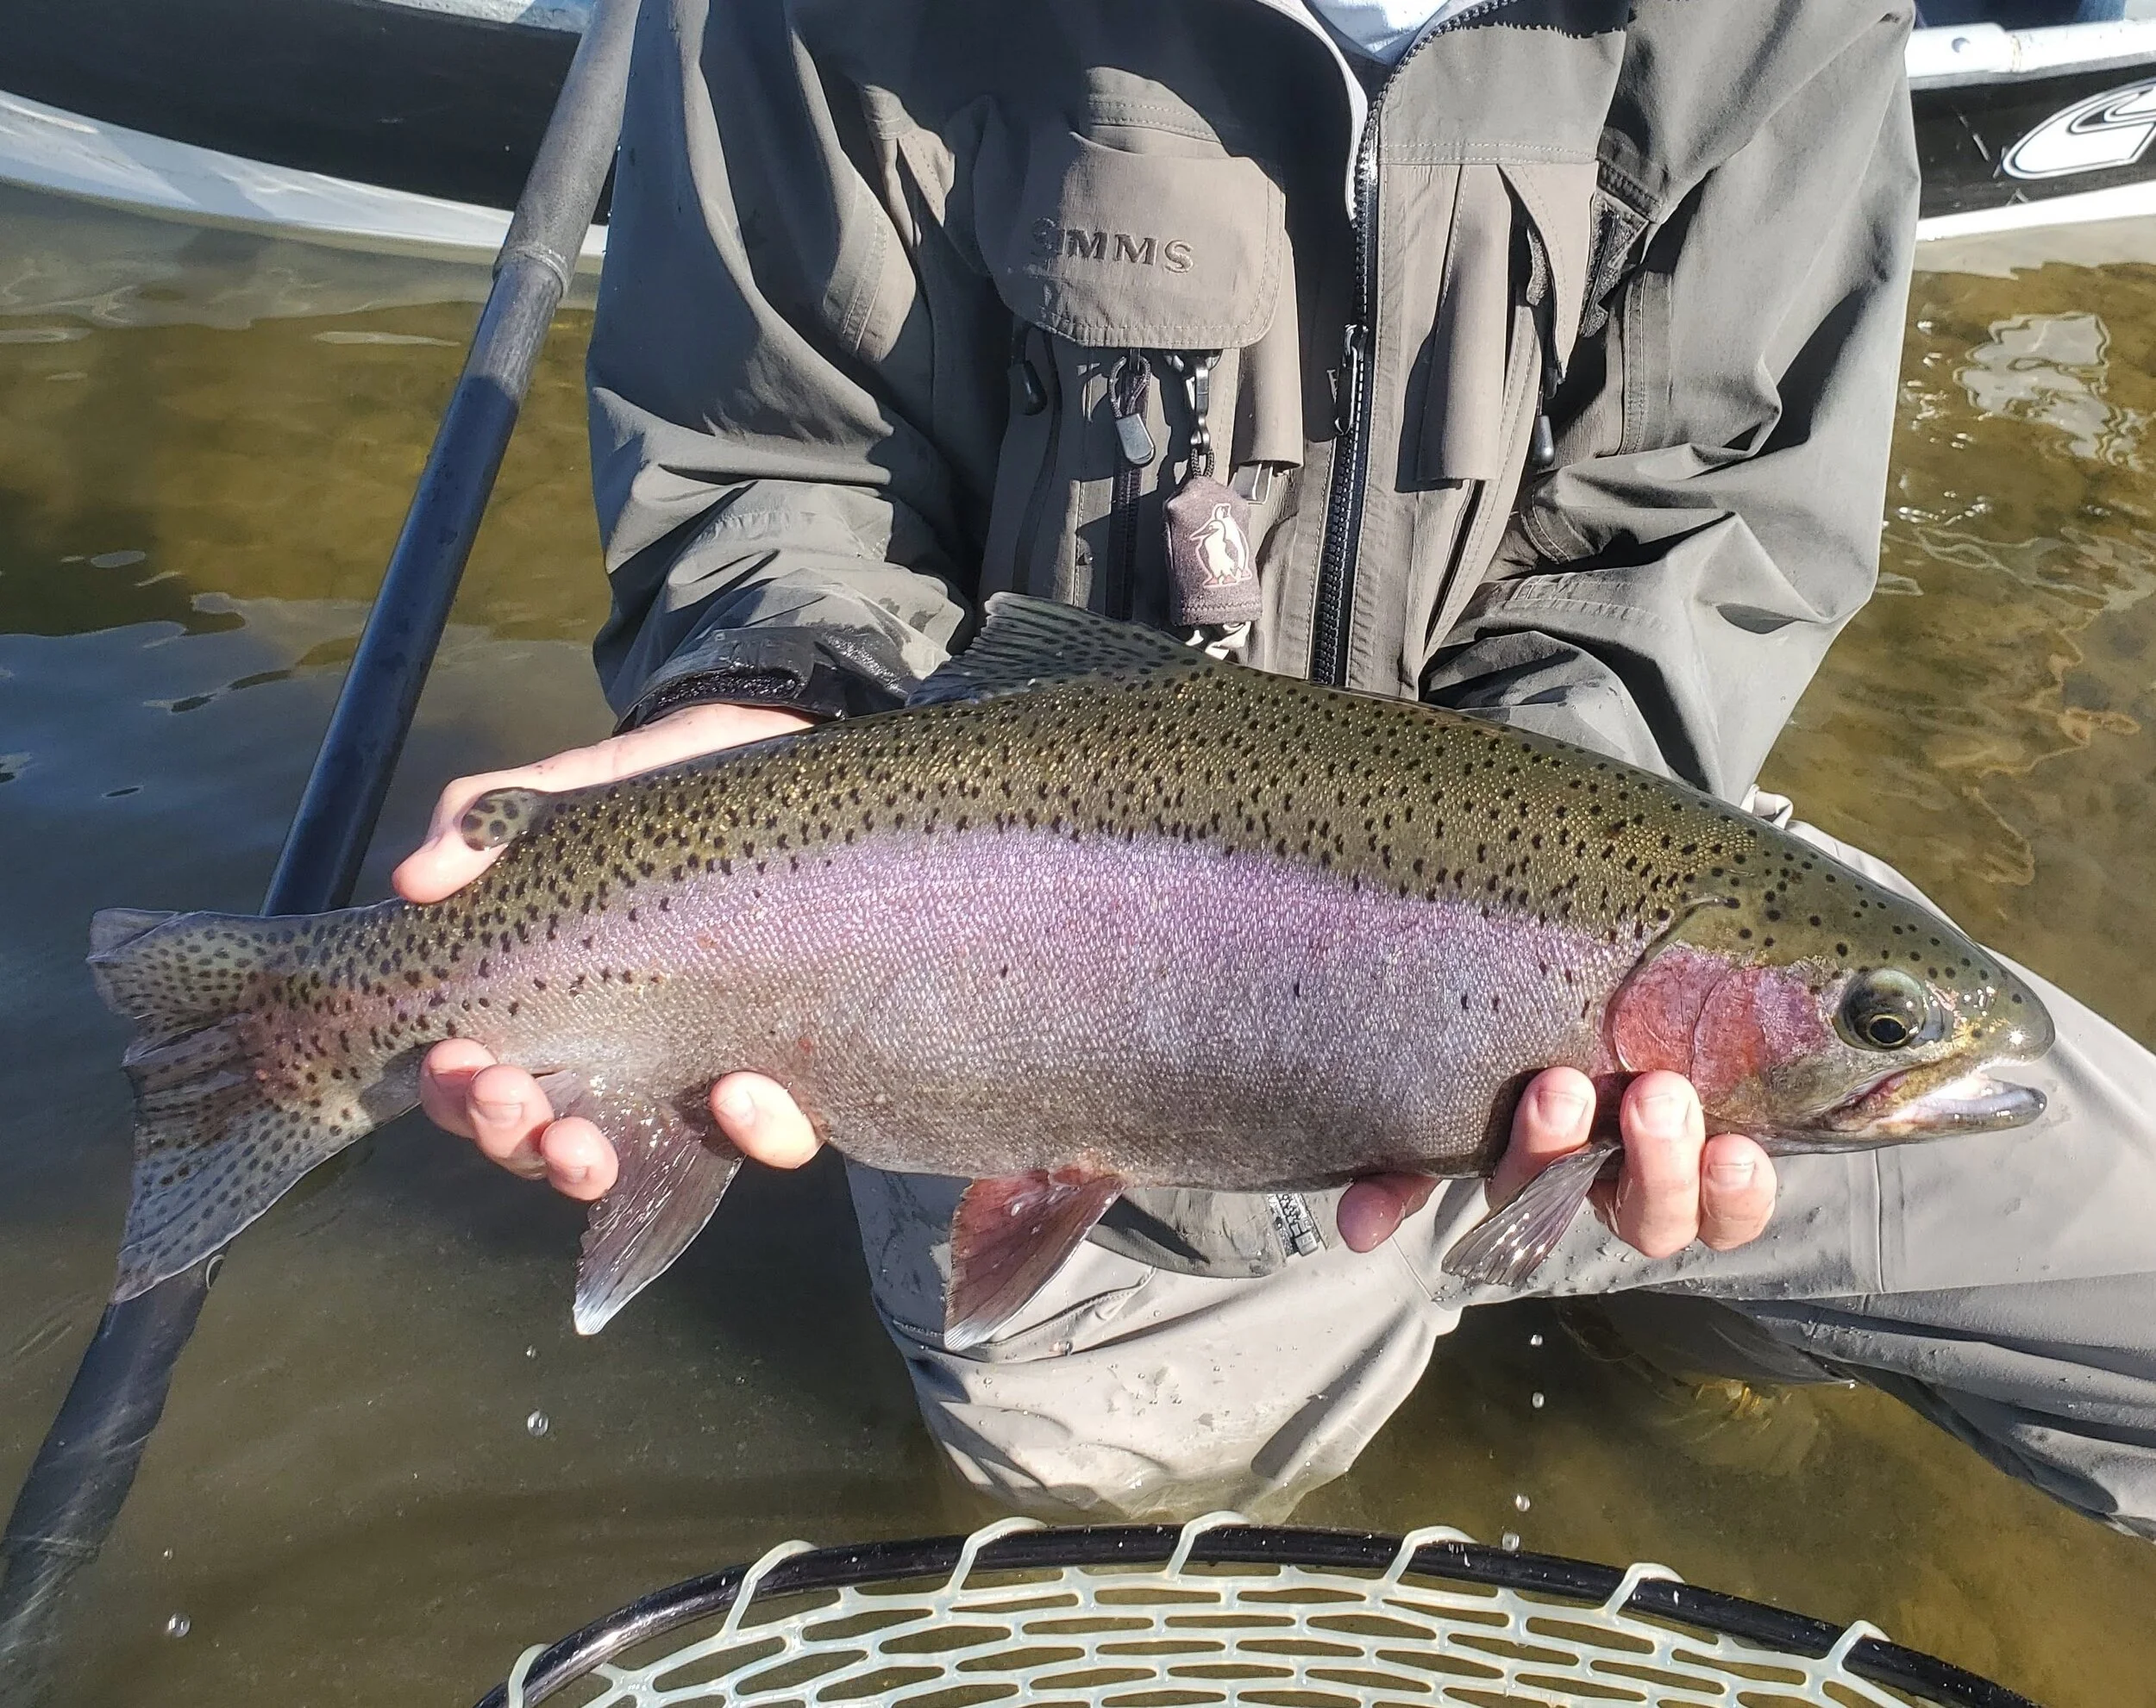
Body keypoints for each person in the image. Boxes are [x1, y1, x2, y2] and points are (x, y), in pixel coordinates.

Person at [396, 0, 2156, 1530]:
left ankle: (1677, 1309)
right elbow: (761, 458)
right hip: (1036, 1050)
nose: (1895, 1023)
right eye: (1880, 1017)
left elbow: (1695, 535)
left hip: (1593, 1006)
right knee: (1141, 1597)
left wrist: (1564, 827)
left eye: (1876, 1018)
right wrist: (770, 690)